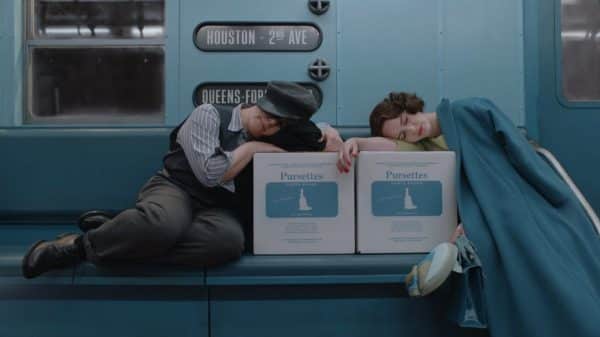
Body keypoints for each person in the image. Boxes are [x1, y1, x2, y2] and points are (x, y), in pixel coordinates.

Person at [337, 92, 600, 337]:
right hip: (483, 210)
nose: (411, 131)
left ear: (413, 108)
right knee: (506, 256)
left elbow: (522, 155)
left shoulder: (468, 110)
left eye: (406, 120)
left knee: (543, 254)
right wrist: (354, 141)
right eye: (403, 134)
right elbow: (387, 147)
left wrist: (555, 193)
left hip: (515, 197)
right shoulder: (423, 147)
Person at [22, 81, 343, 279]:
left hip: (217, 207)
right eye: (267, 112)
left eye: (279, 123)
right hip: (176, 187)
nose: (269, 122)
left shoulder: (284, 131)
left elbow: (328, 139)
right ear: (260, 100)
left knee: (228, 244)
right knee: (164, 224)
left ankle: (124, 232)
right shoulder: (208, 114)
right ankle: (76, 247)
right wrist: (254, 147)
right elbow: (212, 173)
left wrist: (336, 137)